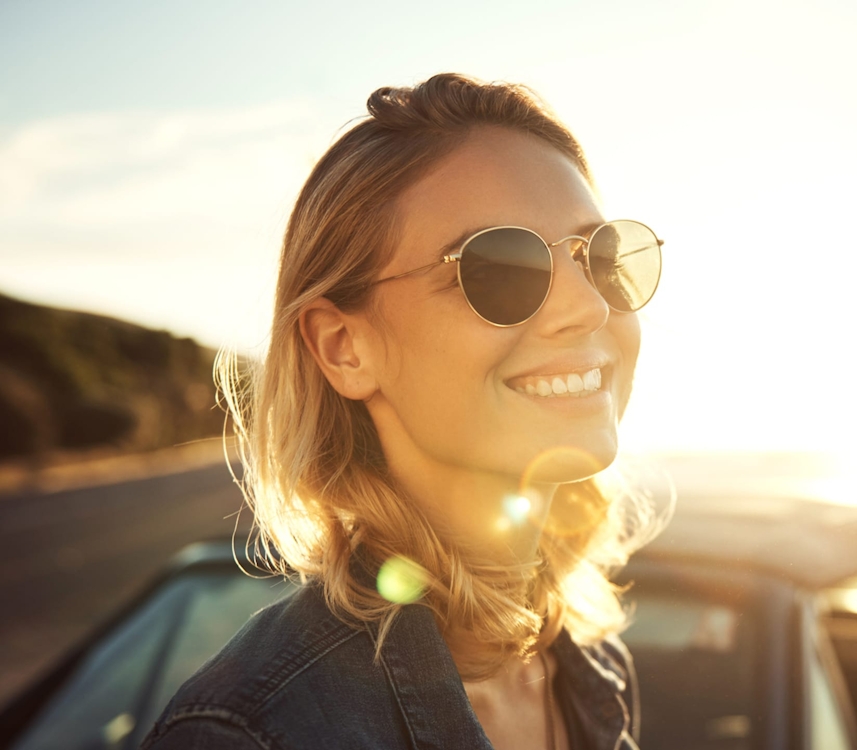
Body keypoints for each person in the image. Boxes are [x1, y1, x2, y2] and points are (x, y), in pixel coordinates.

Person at [141, 73, 662, 750]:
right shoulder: (252, 735)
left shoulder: (590, 666)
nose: (588, 307)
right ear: (344, 347)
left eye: (600, 258)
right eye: (500, 267)